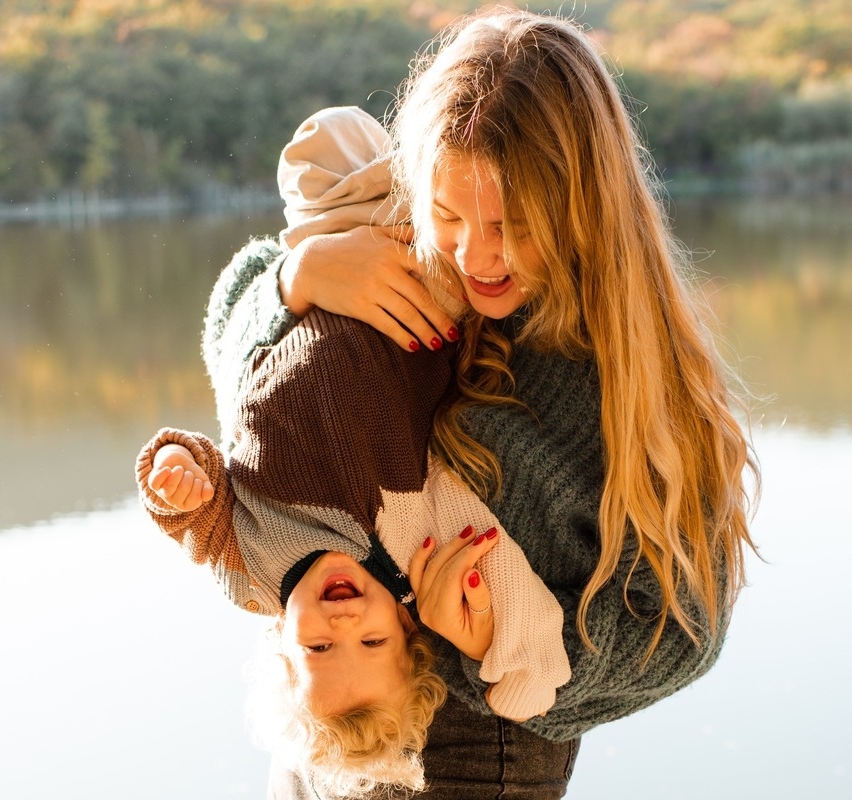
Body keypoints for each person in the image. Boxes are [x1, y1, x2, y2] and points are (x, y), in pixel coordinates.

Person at [255, 7, 760, 798]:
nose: (474, 255)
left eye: (513, 225)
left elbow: (687, 633)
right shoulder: (407, 250)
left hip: (476, 757)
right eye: (449, 215)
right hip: (322, 728)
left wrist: (502, 640)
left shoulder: (627, 377)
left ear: (582, 206)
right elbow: (254, 379)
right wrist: (293, 278)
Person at [134, 107, 570, 796]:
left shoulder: (252, 575)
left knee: (327, 157)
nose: (341, 624)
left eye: (318, 646)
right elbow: (486, 548)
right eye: (370, 642)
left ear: (282, 645)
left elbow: (203, 511)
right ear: (405, 622)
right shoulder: (401, 541)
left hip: (337, 223)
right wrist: (293, 278)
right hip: (400, 264)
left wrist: (176, 476)